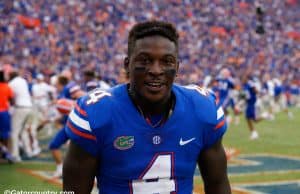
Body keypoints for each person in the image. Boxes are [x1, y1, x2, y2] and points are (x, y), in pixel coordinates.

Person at [63, 20, 231, 194]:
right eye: (145, 60)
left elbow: (218, 184)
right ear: (127, 65)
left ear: (177, 67)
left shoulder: (201, 109)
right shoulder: (96, 113)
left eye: (167, 61)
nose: (156, 70)